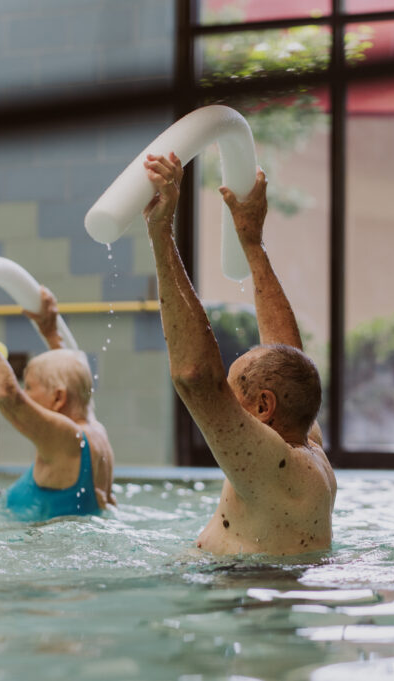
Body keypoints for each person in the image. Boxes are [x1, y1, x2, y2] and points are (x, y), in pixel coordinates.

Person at [142, 152, 336, 556]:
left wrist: (161, 235)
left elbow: (195, 377)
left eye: (232, 394)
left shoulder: (275, 466)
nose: (224, 402)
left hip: (242, 598)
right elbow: (287, 357)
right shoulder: (306, 445)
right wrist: (252, 242)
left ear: (264, 406)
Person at [0, 278, 116, 520]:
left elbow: (7, 396)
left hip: (42, 547)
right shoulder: (94, 431)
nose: (26, 394)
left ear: (58, 398)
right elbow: (76, 379)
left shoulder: (68, 438)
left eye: (30, 387)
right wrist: (50, 331)